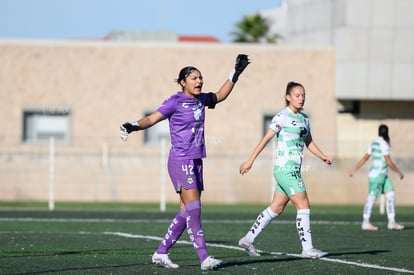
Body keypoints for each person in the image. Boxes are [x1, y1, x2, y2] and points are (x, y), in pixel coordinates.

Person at [119, 54, 250, 270]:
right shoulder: (175, 101)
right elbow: (152, 118)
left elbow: (220, 95)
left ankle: (160, 253)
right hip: (181, 160)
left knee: (184, 212)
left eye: (200, 78)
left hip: (196, 160)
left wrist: (235, 73)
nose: (199, 81)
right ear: (183, 82)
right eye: (194, 78)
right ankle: (204, 258)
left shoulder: (201, 100)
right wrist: (133, 125)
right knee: (195, 209)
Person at [238, 81, 333, 259]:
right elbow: (265, 139)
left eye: (303, 95)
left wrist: (323, 156)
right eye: (297, 95)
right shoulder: (281, 117)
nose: (301, 98)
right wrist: (250, 160)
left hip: (293, 170)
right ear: (288, 97)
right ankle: (308, 249)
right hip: (285, 169)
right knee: (303, 205)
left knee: (276, 208)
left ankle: (247, 239)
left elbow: (309, 142)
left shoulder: (305, 118)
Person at [348, 124, 404, 231]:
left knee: (391, 193)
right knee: (372, 198)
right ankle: (365, 221)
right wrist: (398, 172)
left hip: (383, 175)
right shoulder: (384, 144)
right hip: (377, 175)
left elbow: (365, 158)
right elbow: (388, 161)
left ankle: (392, 222)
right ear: (387, 133)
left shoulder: (374, 143)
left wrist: (354, 169)